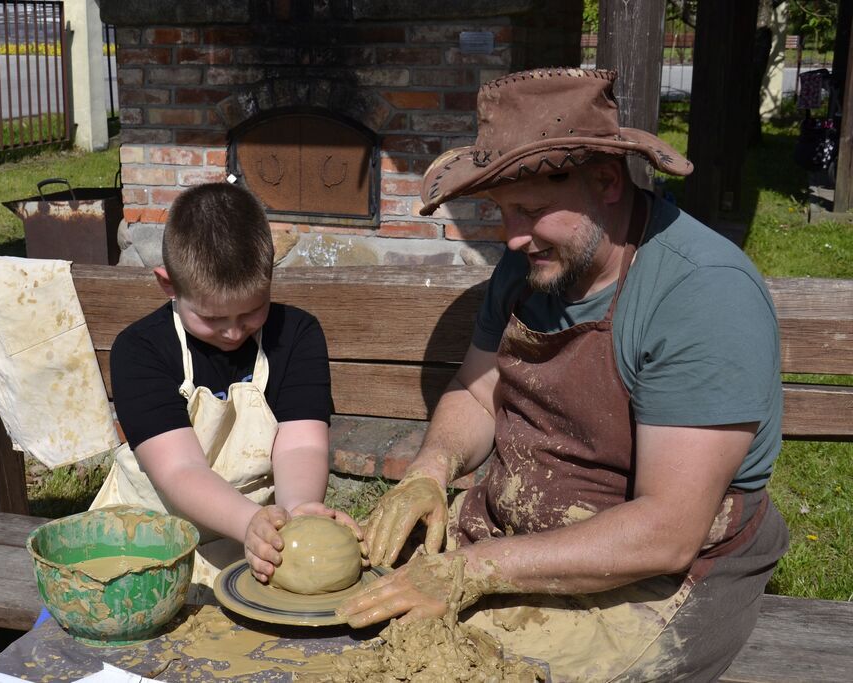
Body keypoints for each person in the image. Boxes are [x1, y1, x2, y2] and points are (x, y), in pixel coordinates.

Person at [337, 68, 789, 682]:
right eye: (502, 211)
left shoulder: (702, 295)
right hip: (513, 531)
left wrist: (472, 571)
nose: (512, 236)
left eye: (530, 210)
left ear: (605, 180)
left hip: (652, 576)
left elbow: (667, 531)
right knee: (346, 624)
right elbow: (476, 391)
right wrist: (429, 470)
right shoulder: (534, 265)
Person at [90, 182, 357, 598]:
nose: (233, 331)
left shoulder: (296, 335)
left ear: (270, 277)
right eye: (212, 318)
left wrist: (297, 513)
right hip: (147, 537)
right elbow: (180, 470)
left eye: (252, 312)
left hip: (254, 535)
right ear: (168, 285)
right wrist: (250, 522)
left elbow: (300, 446)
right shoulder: (139, 350)